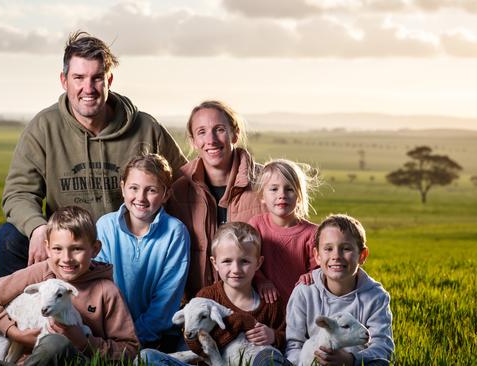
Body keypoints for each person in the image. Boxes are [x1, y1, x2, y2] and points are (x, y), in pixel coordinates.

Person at [0, 30, 187, 278]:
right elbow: (18, 192)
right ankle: (13, 314)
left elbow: (184, 183)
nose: (88, 88)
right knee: (9, 237)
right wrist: (38, 228)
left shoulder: (146, 128)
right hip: (68, 245)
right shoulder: (43, 127)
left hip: (129, 242)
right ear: (64, 81)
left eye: (97, 78)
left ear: (110, 80)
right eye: (79, 78)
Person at [0, 206, 140, 366]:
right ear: (47, 248)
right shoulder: (39, 273)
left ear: (95, 249)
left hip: (70, 359)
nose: (66, 258)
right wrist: (14, 332)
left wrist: (83, 342)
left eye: (77, 249)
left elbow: (130, 350)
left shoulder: (107, 291)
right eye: (57, 249)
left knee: (56, 343)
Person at [137, 222, 288, 366]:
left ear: (258, 263)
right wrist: (235, 326)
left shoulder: (270, 302)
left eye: (244, 261)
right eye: (227, 261)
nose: (236, 269)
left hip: (252, 361)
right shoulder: (206, 297)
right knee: (147, 357)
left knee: (269, 359)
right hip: (208, 363)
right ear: (215, 263)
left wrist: (274, 336)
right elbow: (193, 342)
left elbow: (288, 339)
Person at [167, 100, 265, 299]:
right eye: (201, 132)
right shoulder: (177, 190)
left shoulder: (265, 185)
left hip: (254, 307)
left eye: (219, 129)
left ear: (234, 134)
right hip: (196, 307)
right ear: (193, 140)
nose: (210, 140)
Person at [95, 153, 190, 350]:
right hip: (108, 332)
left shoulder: (175, 232)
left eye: (151, 190)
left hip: (157, 336)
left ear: (166, 195)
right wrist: (114, 337)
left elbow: (166, 299)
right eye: (134, 188)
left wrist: (134, 338)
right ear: (122, 188)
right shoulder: (105, 226)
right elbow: (97, 287)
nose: (141, 198)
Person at [285, 214, 394, 365]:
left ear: (362, 255)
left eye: (346, 248)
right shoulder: (304, 292)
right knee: (270, 357)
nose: (336, 256)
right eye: (328, 249)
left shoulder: (376, 296)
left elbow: (383, 347)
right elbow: (294, 345)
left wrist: (349, 360)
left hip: (355, 363)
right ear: (317, 255)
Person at [249, 159, 318, 306]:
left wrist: (312, 276)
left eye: (290, 189)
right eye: (274, 189)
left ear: (299, 196)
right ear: (262, 196)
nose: (282, 195)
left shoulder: (312, 233)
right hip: (264, 307)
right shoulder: (256, 225)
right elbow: (246, 260)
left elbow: (320, 269)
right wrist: (261, 280)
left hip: (301, 307)